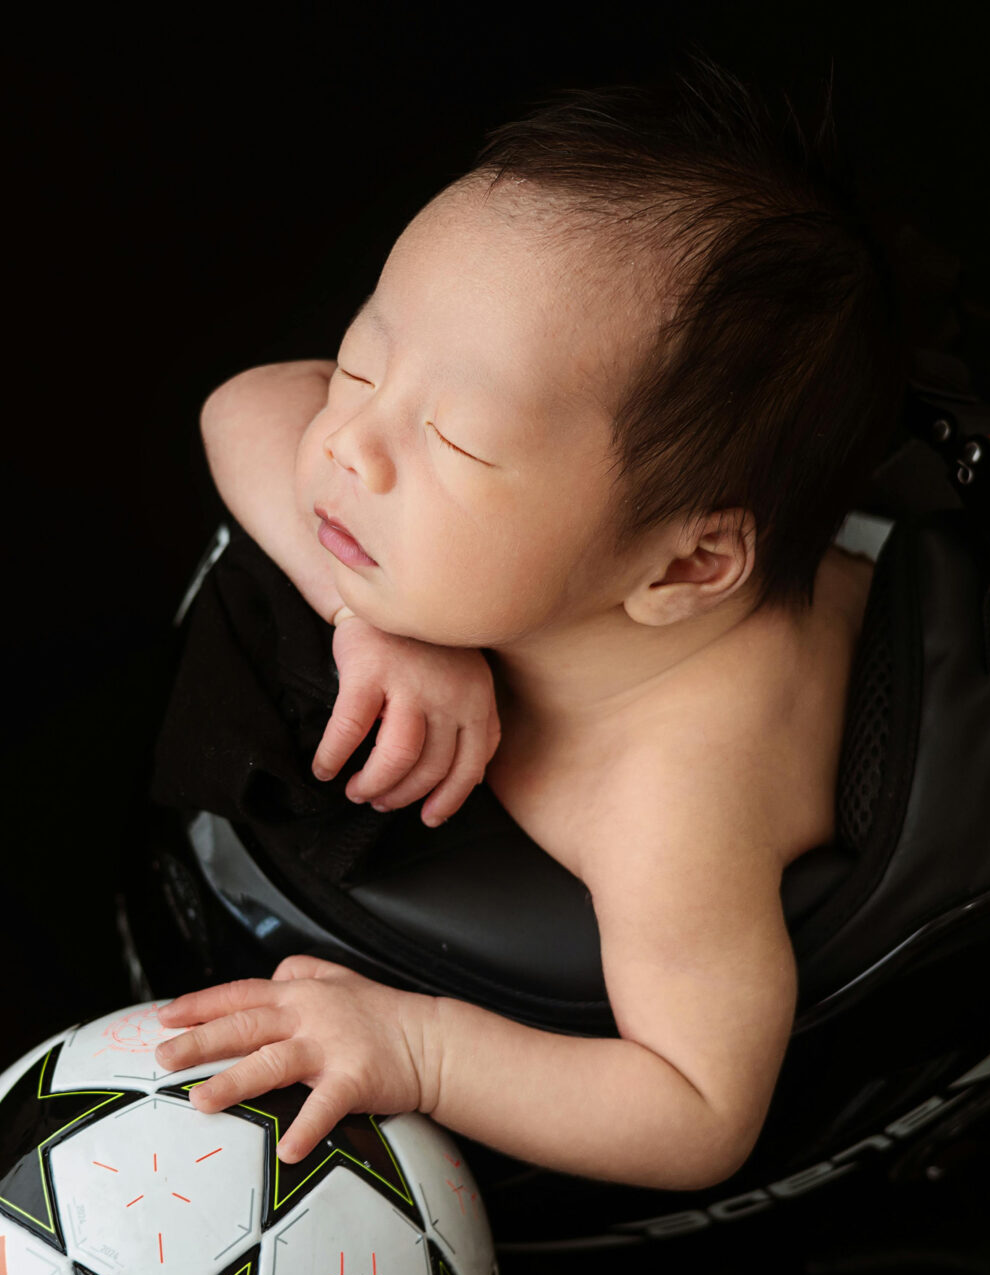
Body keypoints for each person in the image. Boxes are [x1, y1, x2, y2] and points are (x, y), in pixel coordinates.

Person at [151, 62, 903, 1190]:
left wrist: (418, 1049)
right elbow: (244, 402)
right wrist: (372, 615)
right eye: (363, 360)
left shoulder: (673, 797)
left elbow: (697, 1111)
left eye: (455, 442)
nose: (348, 441)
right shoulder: (498, 519)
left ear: (687, 563)